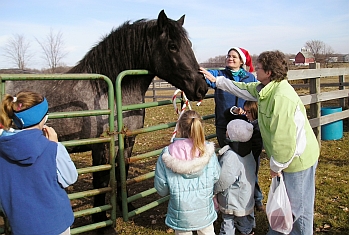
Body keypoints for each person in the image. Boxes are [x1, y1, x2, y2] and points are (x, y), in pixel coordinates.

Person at [201, 50, 320, 235]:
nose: (255, 69)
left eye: (259, 67)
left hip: (298, 159)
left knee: (299, 208)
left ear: (269, 72)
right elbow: (241, 88)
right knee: (285, 201)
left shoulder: (281, 97)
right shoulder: (264, 89)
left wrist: (277, 165)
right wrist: (218, 81)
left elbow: (284, 139)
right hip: (286, 158)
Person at [0, 90, 78, 235]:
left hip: (21, 226)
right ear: (43, 118)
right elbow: (70, 178)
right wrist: (55, 144)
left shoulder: (2, 149)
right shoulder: (52, 148)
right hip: (56, 223)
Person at [154, 110, 220, 235]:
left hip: (180, 211)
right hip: (204, 208)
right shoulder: (208, 151)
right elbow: (216, 176)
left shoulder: (167, 154)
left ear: (179, 127)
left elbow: (161, 188)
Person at [204, 47, 257, 147]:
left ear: (241, 61)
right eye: (228, 56)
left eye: (234, 57)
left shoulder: (250, 77)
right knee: (227, 153)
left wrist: (247, 110)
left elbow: (255, 98)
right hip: (224, 123)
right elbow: (207, 76)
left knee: (247, 152)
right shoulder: (219, 74)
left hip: (246, 123)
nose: (230, 58)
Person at [214, 119, 256, 235]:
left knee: (228, 221)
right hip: (245, 196)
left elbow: (224, 179)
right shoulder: (249, 151)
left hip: (231, 199)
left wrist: (214, 190)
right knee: (243, 219)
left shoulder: (231, 156)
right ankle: (247, 231)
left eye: (228, 131)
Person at [225, 101, 265, 212]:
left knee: (252, 178)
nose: (246, 114)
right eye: (245, 111)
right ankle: (254, 200)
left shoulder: (257, 127)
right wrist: (235, 111)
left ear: (255, 112)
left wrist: (251, 153)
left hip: (252, 156)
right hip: (246, 155)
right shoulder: (247, 121)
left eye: (249, 112)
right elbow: (227, 116)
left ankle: (257, 200)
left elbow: (257, 145)